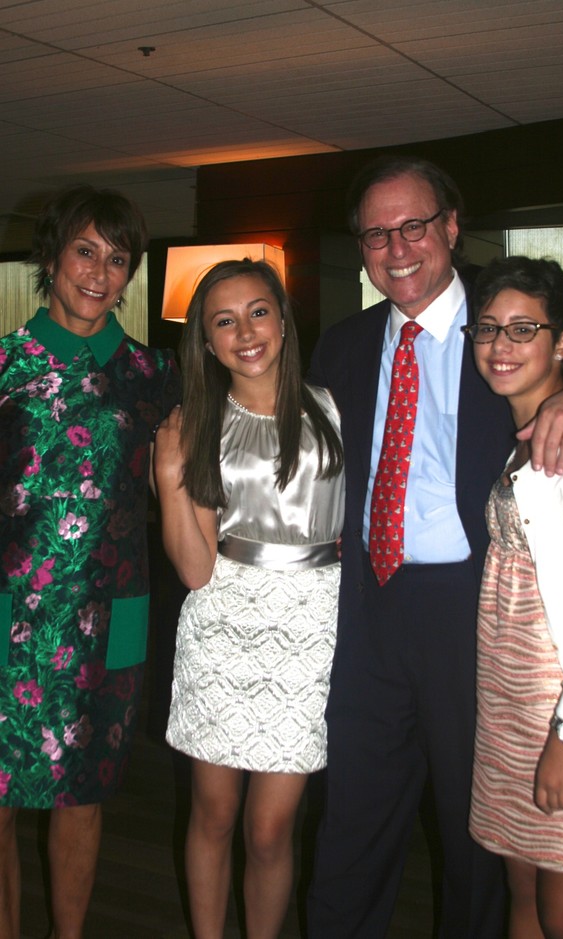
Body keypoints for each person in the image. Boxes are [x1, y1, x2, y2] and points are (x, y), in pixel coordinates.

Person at [305, 154, 563, 938]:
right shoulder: (341, 345)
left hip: (476, 610)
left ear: (451, 227)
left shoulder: (504, 324)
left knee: (477, 832)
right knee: (353, 814)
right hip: (370, 606)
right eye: (376, 234)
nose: (397, 247)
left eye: (414, 225)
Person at [0, 185, 180, 939]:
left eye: (117, 258)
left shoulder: (155, 373)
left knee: (83, 794)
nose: (100, 273)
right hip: (8, 614)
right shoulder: (6, 363)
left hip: (110, 615)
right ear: (52, 256)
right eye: (85, 251)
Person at [153, 258, 344, 939]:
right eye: (224, 321)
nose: (245, 333)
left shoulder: (335, 407)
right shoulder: (197, 425)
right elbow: (195, 570)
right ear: (206, 342)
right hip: (223, 624)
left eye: (258, 312)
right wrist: (169, 476)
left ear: (284, 320)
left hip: (312, 625)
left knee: (270, 828)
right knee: (213, 814)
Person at [467, 256, 563, 939]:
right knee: (524, 889)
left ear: (562, 342)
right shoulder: (524, 442)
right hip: (510, 708)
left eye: (522, 328)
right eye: (488, 328)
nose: (500, 345)